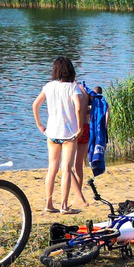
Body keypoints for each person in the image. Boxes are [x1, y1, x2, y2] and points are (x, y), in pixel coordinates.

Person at [32, 57, 89, 214]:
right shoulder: (72, 88)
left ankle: (49, 203)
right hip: (69, 134)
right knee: (66, 169)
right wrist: (79, 127)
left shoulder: (49, 86)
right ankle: (64, 205)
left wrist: (39, 125)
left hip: (52, 132)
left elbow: (35, 105)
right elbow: (78, 108)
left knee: (52, 169)